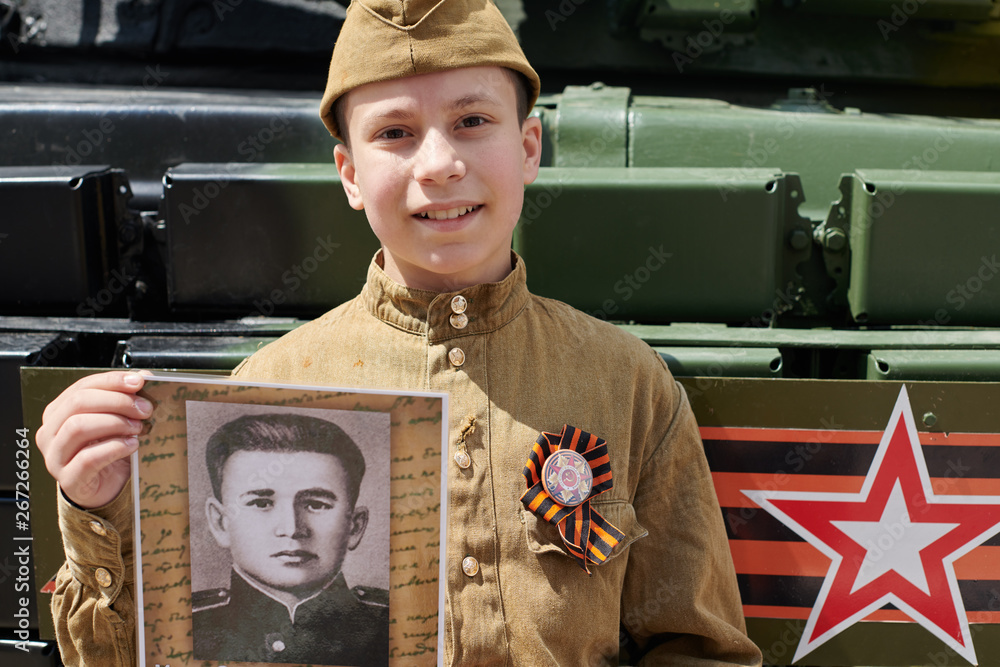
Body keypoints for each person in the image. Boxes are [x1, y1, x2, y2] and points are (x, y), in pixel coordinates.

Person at [35, 1, 764, 664]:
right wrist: (97, 509)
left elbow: (698, 647)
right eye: (395, 133)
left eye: (473, 121)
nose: (440, 164)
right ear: (349, 174)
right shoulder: (270, 389)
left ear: (530, 146)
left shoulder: (627, 383)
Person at [190, 413, 388, 666]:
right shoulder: (182, 624)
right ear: (220, 523)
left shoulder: (395, 624)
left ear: (355, 526)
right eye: (261, 503)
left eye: (316, 504)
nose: (292, 529)